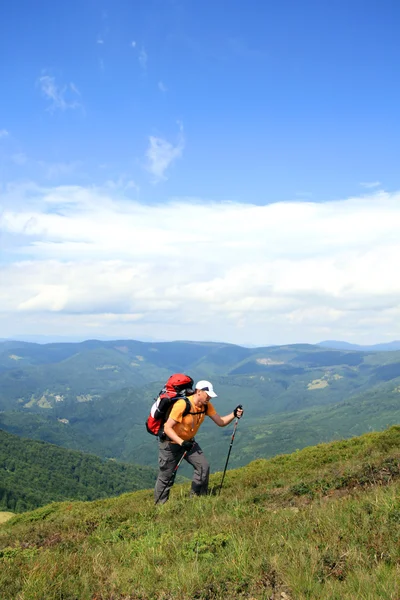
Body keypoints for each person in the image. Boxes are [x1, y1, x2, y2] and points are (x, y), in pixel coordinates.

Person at [154, 379, 244, 504]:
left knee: (203, 467)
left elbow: (221, 422)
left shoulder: (206, 405)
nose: (209, 398)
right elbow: (167, 428)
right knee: (166, 478)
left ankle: (197, 499)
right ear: (199, 392)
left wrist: (234, 414)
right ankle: (160, 507)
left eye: (211, 396)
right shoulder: (182, 405)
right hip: (170, 445)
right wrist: (181, 442)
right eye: (207, 395)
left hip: (189, 443)